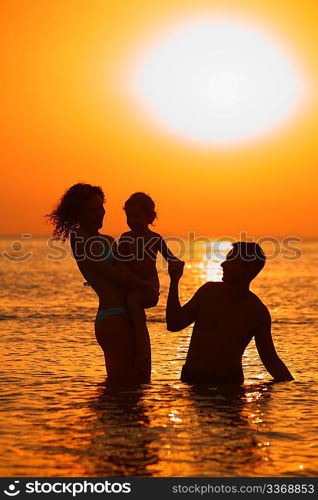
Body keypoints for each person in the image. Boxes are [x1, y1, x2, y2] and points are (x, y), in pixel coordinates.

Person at [47, 183, 154, 384]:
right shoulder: (79, 238)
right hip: (113, 317)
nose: (100, 213)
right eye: (93, 210)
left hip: (132, 314)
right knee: (121, 386)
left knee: (141, 383)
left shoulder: (107, 240)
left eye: (101, 207)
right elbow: (111, 273)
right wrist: (144, 285)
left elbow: (129, 267)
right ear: (78, 214)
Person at [166, 242, 294, 384]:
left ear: (249, 269)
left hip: (230, 387)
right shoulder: (207, 292)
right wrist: (174, 281)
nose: (223, 265)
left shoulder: (257, 312)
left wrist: (296, 392)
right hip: (192, 382)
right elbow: (174, 324)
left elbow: (270, 359)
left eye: (231, 261)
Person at [117, 192, 183, 364]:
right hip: (131, 286)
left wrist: (177, 264)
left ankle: (141, 346)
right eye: (128, 217)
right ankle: (130, 343)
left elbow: (170, 257)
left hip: (149, 289)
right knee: (124, 305)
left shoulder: (155, 239)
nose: (132, 221)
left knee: (133, 301)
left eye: (137, 216)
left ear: (150, 217)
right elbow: (119, 263)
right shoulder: (125, 238)